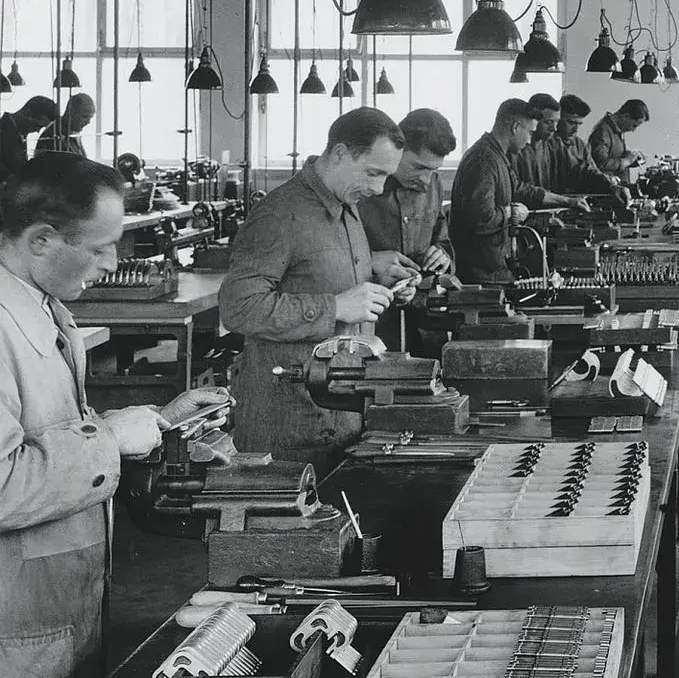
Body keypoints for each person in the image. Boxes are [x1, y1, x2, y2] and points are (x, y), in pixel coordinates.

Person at [0, 154, 231, 678]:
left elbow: (47, 433)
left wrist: (159, 422)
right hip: (15, 622)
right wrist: (108, 442)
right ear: (40, 240)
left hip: (60, 600)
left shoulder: (45, 305)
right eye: (100, 247)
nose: (113, 262)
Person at [219, 107, 421, 472]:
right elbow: (238, 307)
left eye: (385, 177)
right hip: (290, 423)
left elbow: (320, 279)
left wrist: (380, 288)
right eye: (373, 173)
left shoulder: (346, 204)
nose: (378, 189)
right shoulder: (280, 214)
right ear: (341, 154)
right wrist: (336, 308)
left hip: (340, 411)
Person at [450, 99, 586, 284]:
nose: (530, 139)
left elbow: (521, 190)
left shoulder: (498, 156)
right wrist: (510, 213)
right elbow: (481, 219)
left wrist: (566, 202)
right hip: (481, 274)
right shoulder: (484, 160)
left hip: (494, 266)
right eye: (529, 132)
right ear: (515, 127)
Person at [360, 108, 459, 354]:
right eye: (418, 168)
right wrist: (371, 263)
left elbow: (443, 238)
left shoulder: (433, 183)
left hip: (425, 325)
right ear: (396, 149)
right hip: (373, 327)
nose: (426, 182)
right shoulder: (361, 190)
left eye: (433, 171)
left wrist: (443, 255)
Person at [548, 95, 623, 197]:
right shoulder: (548, 143)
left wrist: (609, 181)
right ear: (558, 118)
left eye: (579, 124)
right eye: (571, 123)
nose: (575, 129)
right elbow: (575, 167)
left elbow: (593, 171)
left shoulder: (580, 144)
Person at [0, 96, 59, 187]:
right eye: (37, 125)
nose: (38, 131)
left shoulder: (19, 133)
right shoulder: (3, 130)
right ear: (27, 112)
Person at [590, 99, 651, 178]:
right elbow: (600, 164)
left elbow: (615, 157)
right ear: (626, 116)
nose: (633, 130)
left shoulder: (616, 130)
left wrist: (632, 160)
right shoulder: (602, 131)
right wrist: (626, 161)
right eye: (634, 125)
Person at [33, 94, 93, 158]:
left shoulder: (72, 132)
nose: (88, 122)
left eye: (90, 118)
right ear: (70, 112)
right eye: (85, 117)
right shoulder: (55, 134)